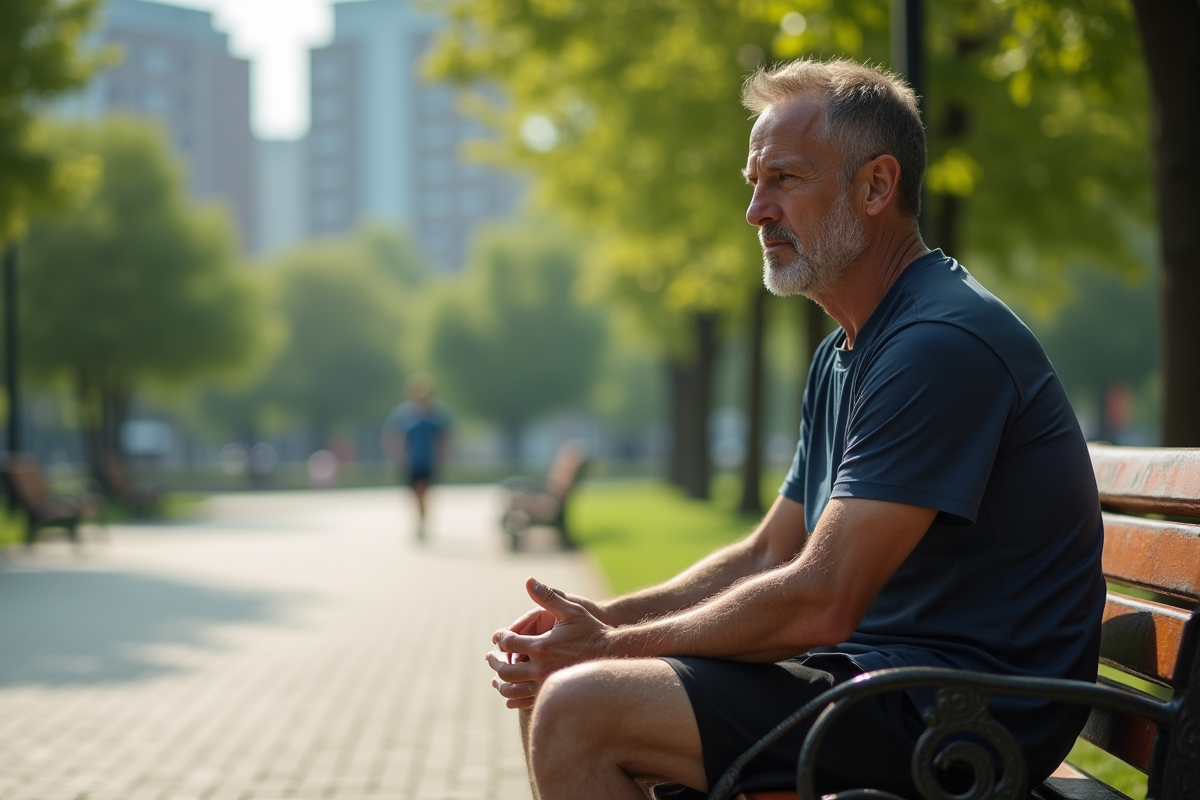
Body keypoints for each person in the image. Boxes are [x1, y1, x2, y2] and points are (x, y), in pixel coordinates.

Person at [484, 58, 1106, 800]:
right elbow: (770, 550)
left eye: (784, 179)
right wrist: (593, 624)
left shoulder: (938, 344)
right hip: (889, 682)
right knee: (568, 682)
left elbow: (823, 599)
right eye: (753, 182)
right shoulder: (847, 352)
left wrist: (615, 645)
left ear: (876, 186)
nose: (755, 210)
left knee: (579, 709)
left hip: (963, 716)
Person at [382, 373, 450, 540]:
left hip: (428, 461)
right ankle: (419, 519)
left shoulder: (437, 414)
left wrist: (442, 457)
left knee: (423, 491)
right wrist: (396, 455)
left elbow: (443, 438)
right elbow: (394, 435)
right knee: (414, 494)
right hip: (410, 461)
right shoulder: (404, 413)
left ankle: (422, 522)